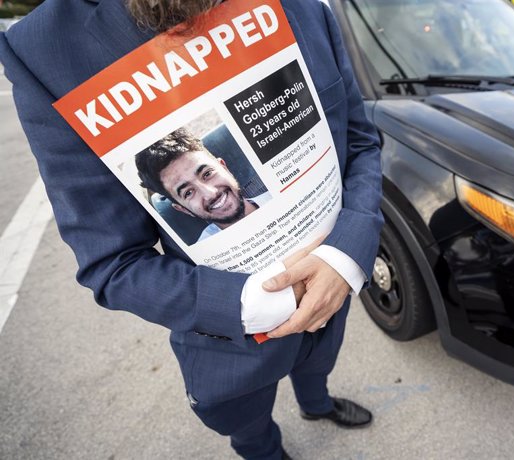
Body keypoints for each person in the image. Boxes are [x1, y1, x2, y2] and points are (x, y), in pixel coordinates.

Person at [0, 0, 384, 459]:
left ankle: (316, 404)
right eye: (186, 192)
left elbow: (358, 141)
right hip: (230, 344)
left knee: (319, 363)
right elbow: (111, 262)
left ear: (221, 163)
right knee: (248, 427)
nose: (208, 194)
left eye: (204, 174)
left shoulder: (305, 5)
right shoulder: (41, 51)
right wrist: (250, 303)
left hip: (331, 290)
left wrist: (344, 258)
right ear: (180, 206)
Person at [135, 128, 271, 243]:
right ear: (183, 209)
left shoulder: (280, 196)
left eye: (207, 174)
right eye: (188, 192)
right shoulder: (201, 262)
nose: (211, 193)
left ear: (224, 168)